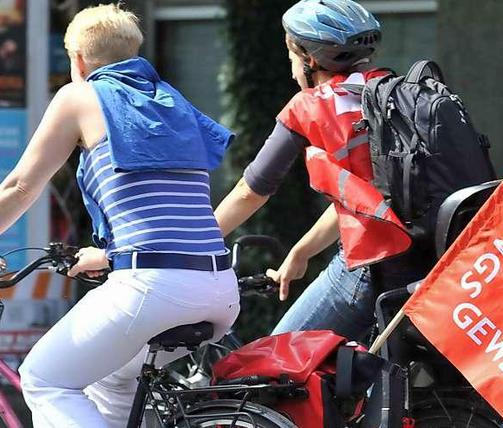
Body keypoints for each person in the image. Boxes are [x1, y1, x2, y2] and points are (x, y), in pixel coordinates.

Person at [0, 4, 238, 426]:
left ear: (77, 59)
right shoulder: (170, 101)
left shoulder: (80, 94)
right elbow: (162, 212)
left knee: (44, 379)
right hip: (220, 287)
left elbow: (21, 186)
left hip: (154, 286)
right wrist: (109, 255)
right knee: (110, 380)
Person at [215, 0, 424, 341]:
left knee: (274, 361)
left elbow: (250, 191)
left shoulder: (310, 105)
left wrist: (193, 240)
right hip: (430, 257)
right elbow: (366, 199)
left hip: (370, 266)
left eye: (292, 58)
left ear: (310, 60)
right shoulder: (396, 93)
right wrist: (301, 252)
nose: (291, 70)